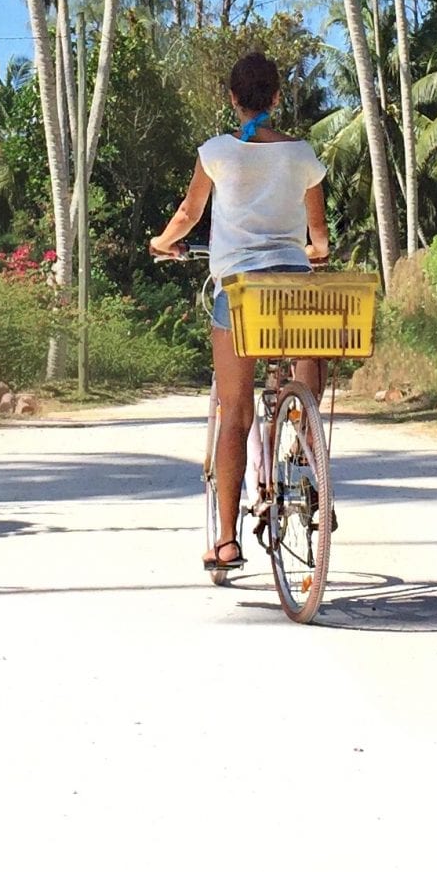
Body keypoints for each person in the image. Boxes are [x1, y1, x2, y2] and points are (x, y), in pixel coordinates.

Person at [148, 50, 329, 574]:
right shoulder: (302, 155)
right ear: (277, 97)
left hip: (240, 290)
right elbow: (318, 235)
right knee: (305, 365)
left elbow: (188, 215)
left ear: (232, 98)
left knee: (236, 413)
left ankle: (226, 542)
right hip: (293, 286)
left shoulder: (216, 153)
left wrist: (163, 242)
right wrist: (313, 250)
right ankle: (304, 437)